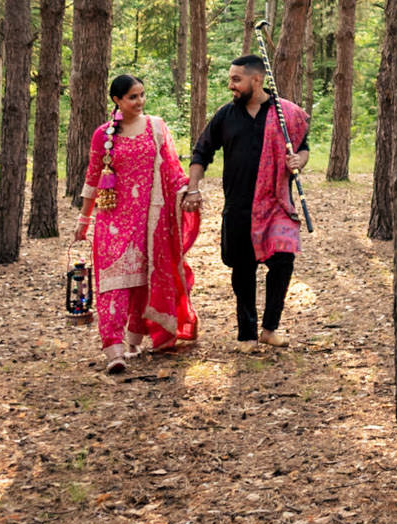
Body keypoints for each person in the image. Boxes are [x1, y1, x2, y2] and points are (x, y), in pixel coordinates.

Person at [73, 74, 199, 373]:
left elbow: (171, 168)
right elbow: (93, 178)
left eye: (142, 95)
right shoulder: (103, 135)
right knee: (112, 285)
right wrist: (84, 218)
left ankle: (133, 342)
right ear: (117, 100)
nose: (140, 101)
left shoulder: (156, 127)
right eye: (133, 96)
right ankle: (113, 350)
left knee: (143, 282)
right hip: (113, 219)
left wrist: (186, 191)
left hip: (150, 218)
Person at [185, 54, 310, 346]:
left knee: (283, 261)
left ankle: (270, 329)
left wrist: (298, 160)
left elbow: (303, 149)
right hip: (239, 206)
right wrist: (193, 188)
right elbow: (201, 152)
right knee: (243, 270)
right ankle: (247, 334)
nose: (231, 85)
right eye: (231, 79)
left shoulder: (285, 114)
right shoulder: (225, 116)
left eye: (236, 79)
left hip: (276, 203)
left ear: (257, 79)